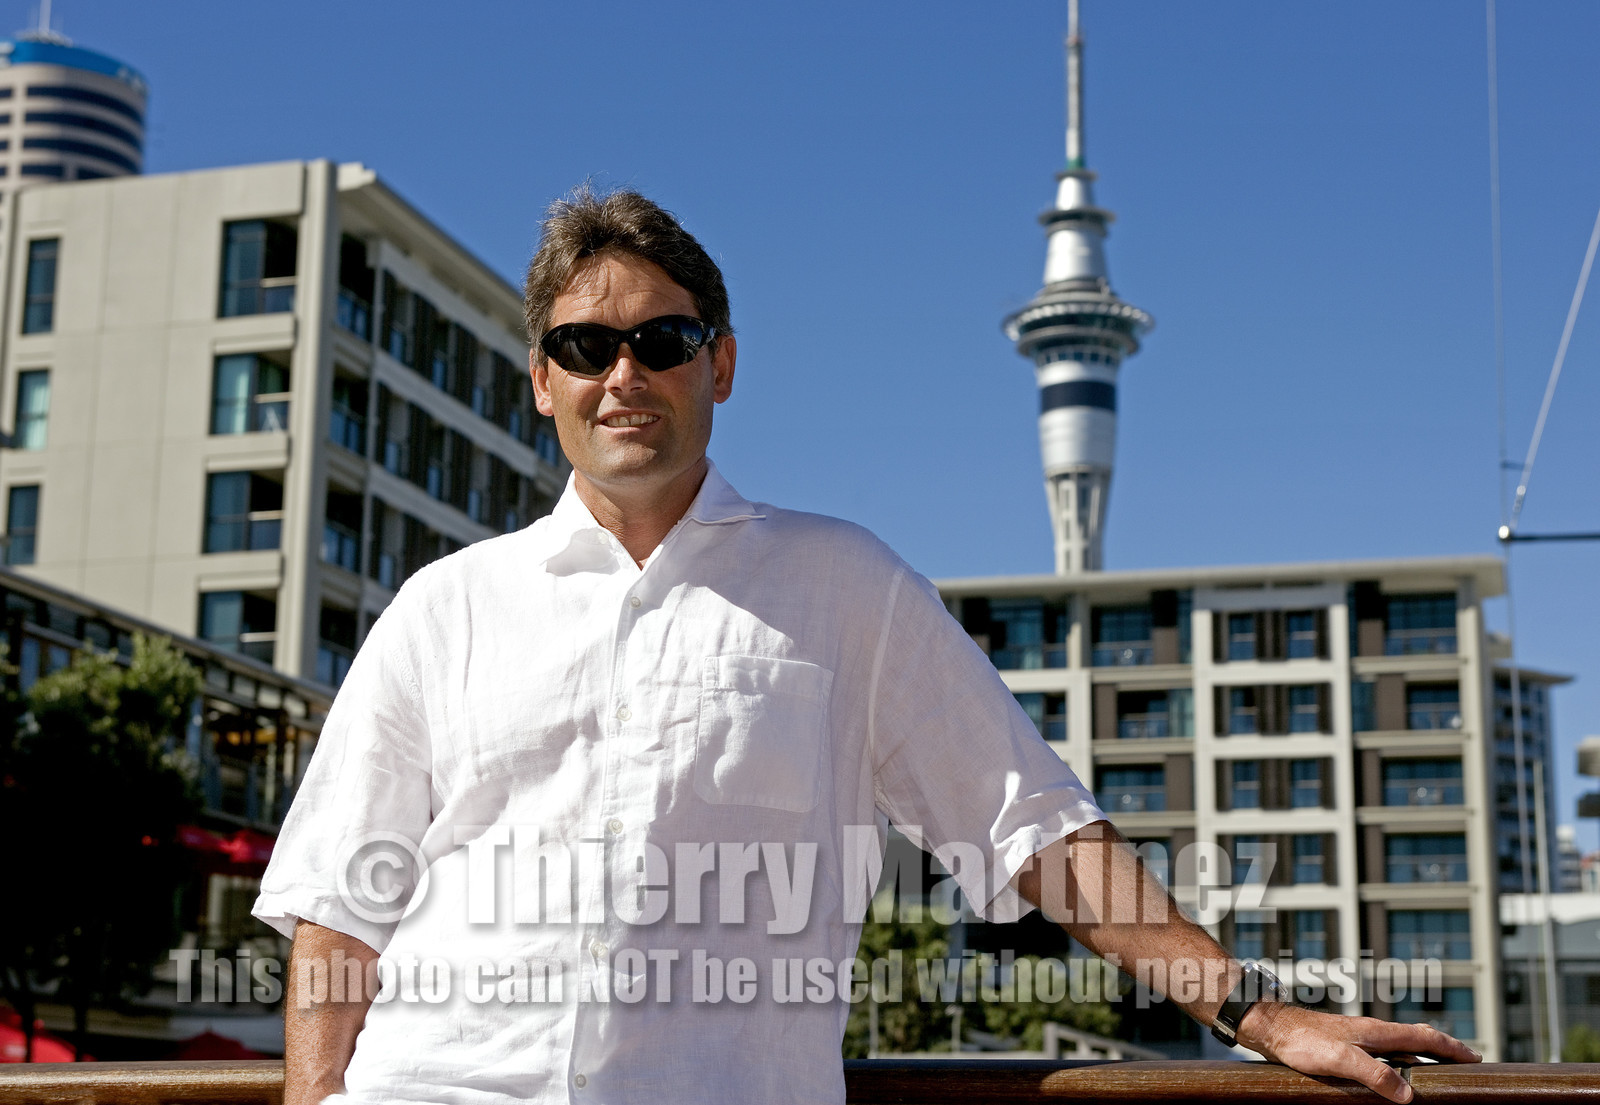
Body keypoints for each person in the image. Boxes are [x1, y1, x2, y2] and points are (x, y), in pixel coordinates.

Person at [254, 189, 1478, 1105]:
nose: (622, 373)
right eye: (584, 346)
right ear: (541, 381)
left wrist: (1257, 1010)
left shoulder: (845, 585)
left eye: (662, 341)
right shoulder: (443, 606)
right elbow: (337, 913)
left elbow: (1034, 828)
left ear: (719, 364)